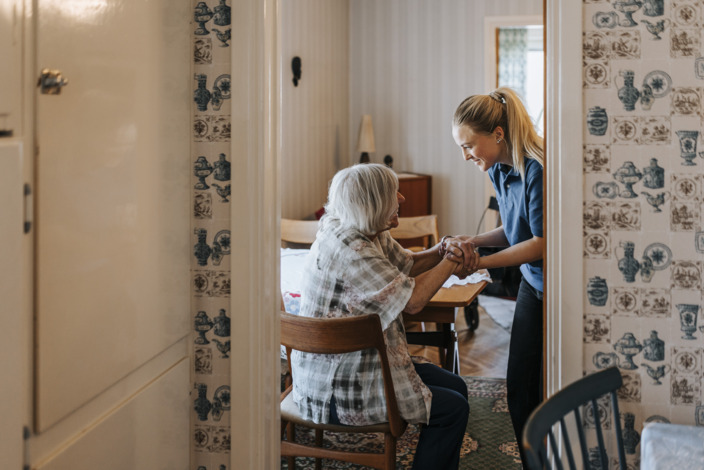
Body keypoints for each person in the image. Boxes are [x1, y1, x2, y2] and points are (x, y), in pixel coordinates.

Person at [291, 163, 479, 470]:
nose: (402, 199)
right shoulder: (353, 249)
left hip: (357, 362)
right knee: (452, 409)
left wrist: (443, 248)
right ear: (373, 203)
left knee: (456, 387)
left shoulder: (360, 227)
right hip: (336, 387)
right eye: (394, 194)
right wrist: (453, 262)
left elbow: (407, 263)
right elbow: (414, 302)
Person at [452, 86, 544, 468]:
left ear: (498, 135)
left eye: (469, 145)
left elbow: (540, 244)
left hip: (550, 287)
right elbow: (513, 230)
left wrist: (480, 263)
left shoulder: (536, 169)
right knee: (519, 384)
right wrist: (472, 240)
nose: (466, 155)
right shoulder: (499, 171)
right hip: (531, 283)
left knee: (533, 385)